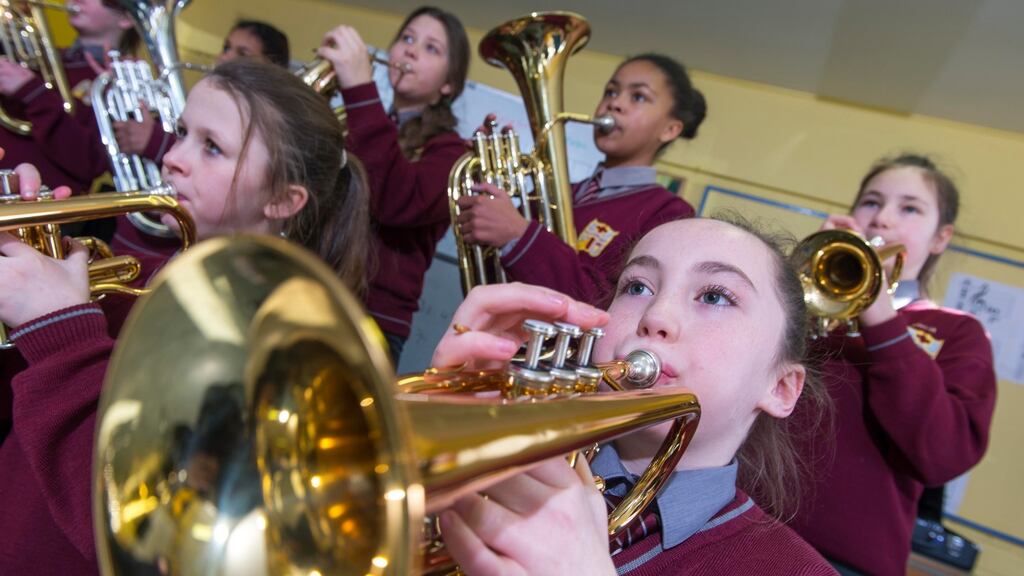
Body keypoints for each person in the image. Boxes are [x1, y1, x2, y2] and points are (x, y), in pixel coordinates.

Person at [0, 59, 371, 574]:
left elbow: (147, 532)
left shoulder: (264, 342)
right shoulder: (134, 274)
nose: (171, 158)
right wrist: (23, 268)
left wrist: (61, 332)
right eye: (180, 133)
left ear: (283, 201)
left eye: (211, 147)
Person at [430, 216, 837, 575]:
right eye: (637, 287)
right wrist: (439, 455)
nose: (655, 316)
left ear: (781, 389)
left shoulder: (797, 570)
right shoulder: (514, 466)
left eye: (715, 296)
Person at [788, 154, 997, 576]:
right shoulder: (806, 307)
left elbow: (944, 455)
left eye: (909, 208)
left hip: (843, 562)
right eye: (870, 202)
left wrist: (880, 317)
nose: (882, 218)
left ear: (941, 237)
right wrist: (791, 291)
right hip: (738, 522)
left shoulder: (956, 332)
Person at [455, 53, 702, 308]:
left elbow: (612, 305)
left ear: (670, 129)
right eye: (610, 92)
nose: (614, 104)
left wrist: (520, 235)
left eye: (638, 97)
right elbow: (493, 268)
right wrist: (484, 185)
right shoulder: (556, 193)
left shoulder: (670, 212)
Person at [318, 5, 470, 363]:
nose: (411, 50)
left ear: (448, 84)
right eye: (407, 38)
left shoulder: (451, 152)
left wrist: (359, 88)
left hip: (371, 322)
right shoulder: (361, 123)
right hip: (312, 293)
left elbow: (393, 199)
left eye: (431, 48)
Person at [0, 0, 139, 194]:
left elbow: (90, 163)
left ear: (126, 17)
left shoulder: (129, 79)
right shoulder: (40, 55)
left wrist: (31, 91)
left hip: (49, 201)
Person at [111, 19, 291, 166]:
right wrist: (126, 94)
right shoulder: (202, 99)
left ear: (270, 67)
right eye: (226, 48)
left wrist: (154, 142)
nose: (225, 57)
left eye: (242, 54)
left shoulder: (265, 123)